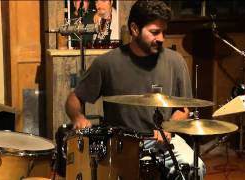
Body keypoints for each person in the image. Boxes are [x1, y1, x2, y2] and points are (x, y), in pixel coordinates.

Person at [65, 1, 205, 179]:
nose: (161, 38)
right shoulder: (107, 63)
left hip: (163, 141)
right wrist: (78, 117)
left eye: (163, 32)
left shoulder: (176, 61)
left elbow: (184, 108)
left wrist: (169, 127)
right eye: (155, 32)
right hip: (120, 143)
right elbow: (74, 98)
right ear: (134, 29)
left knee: (195, 168)